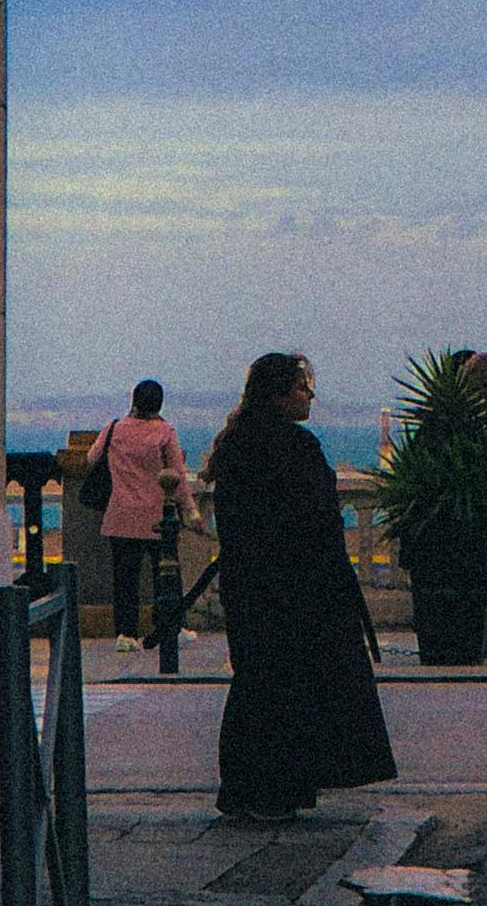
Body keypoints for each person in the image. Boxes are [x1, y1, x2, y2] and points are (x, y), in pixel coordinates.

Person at [208, 351, 397, 825]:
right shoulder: (296, 448)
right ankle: (278, 787)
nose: (309, 396)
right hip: (298, 585)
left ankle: (250, 787)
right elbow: (319, 524)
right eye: (300, 387)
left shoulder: (235, 446)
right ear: (277, 394)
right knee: (290, 687)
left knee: (257, 682)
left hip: (252, 583)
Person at [84, 379, 187, 649]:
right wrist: (190, 511)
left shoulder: (114, 428)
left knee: (125, 579)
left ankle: (125, 634)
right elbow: (177, 475)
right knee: (165, 576)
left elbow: (91, 459)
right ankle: (170, 626)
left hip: (120, 514)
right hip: (157, 516)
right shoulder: (164, 431)